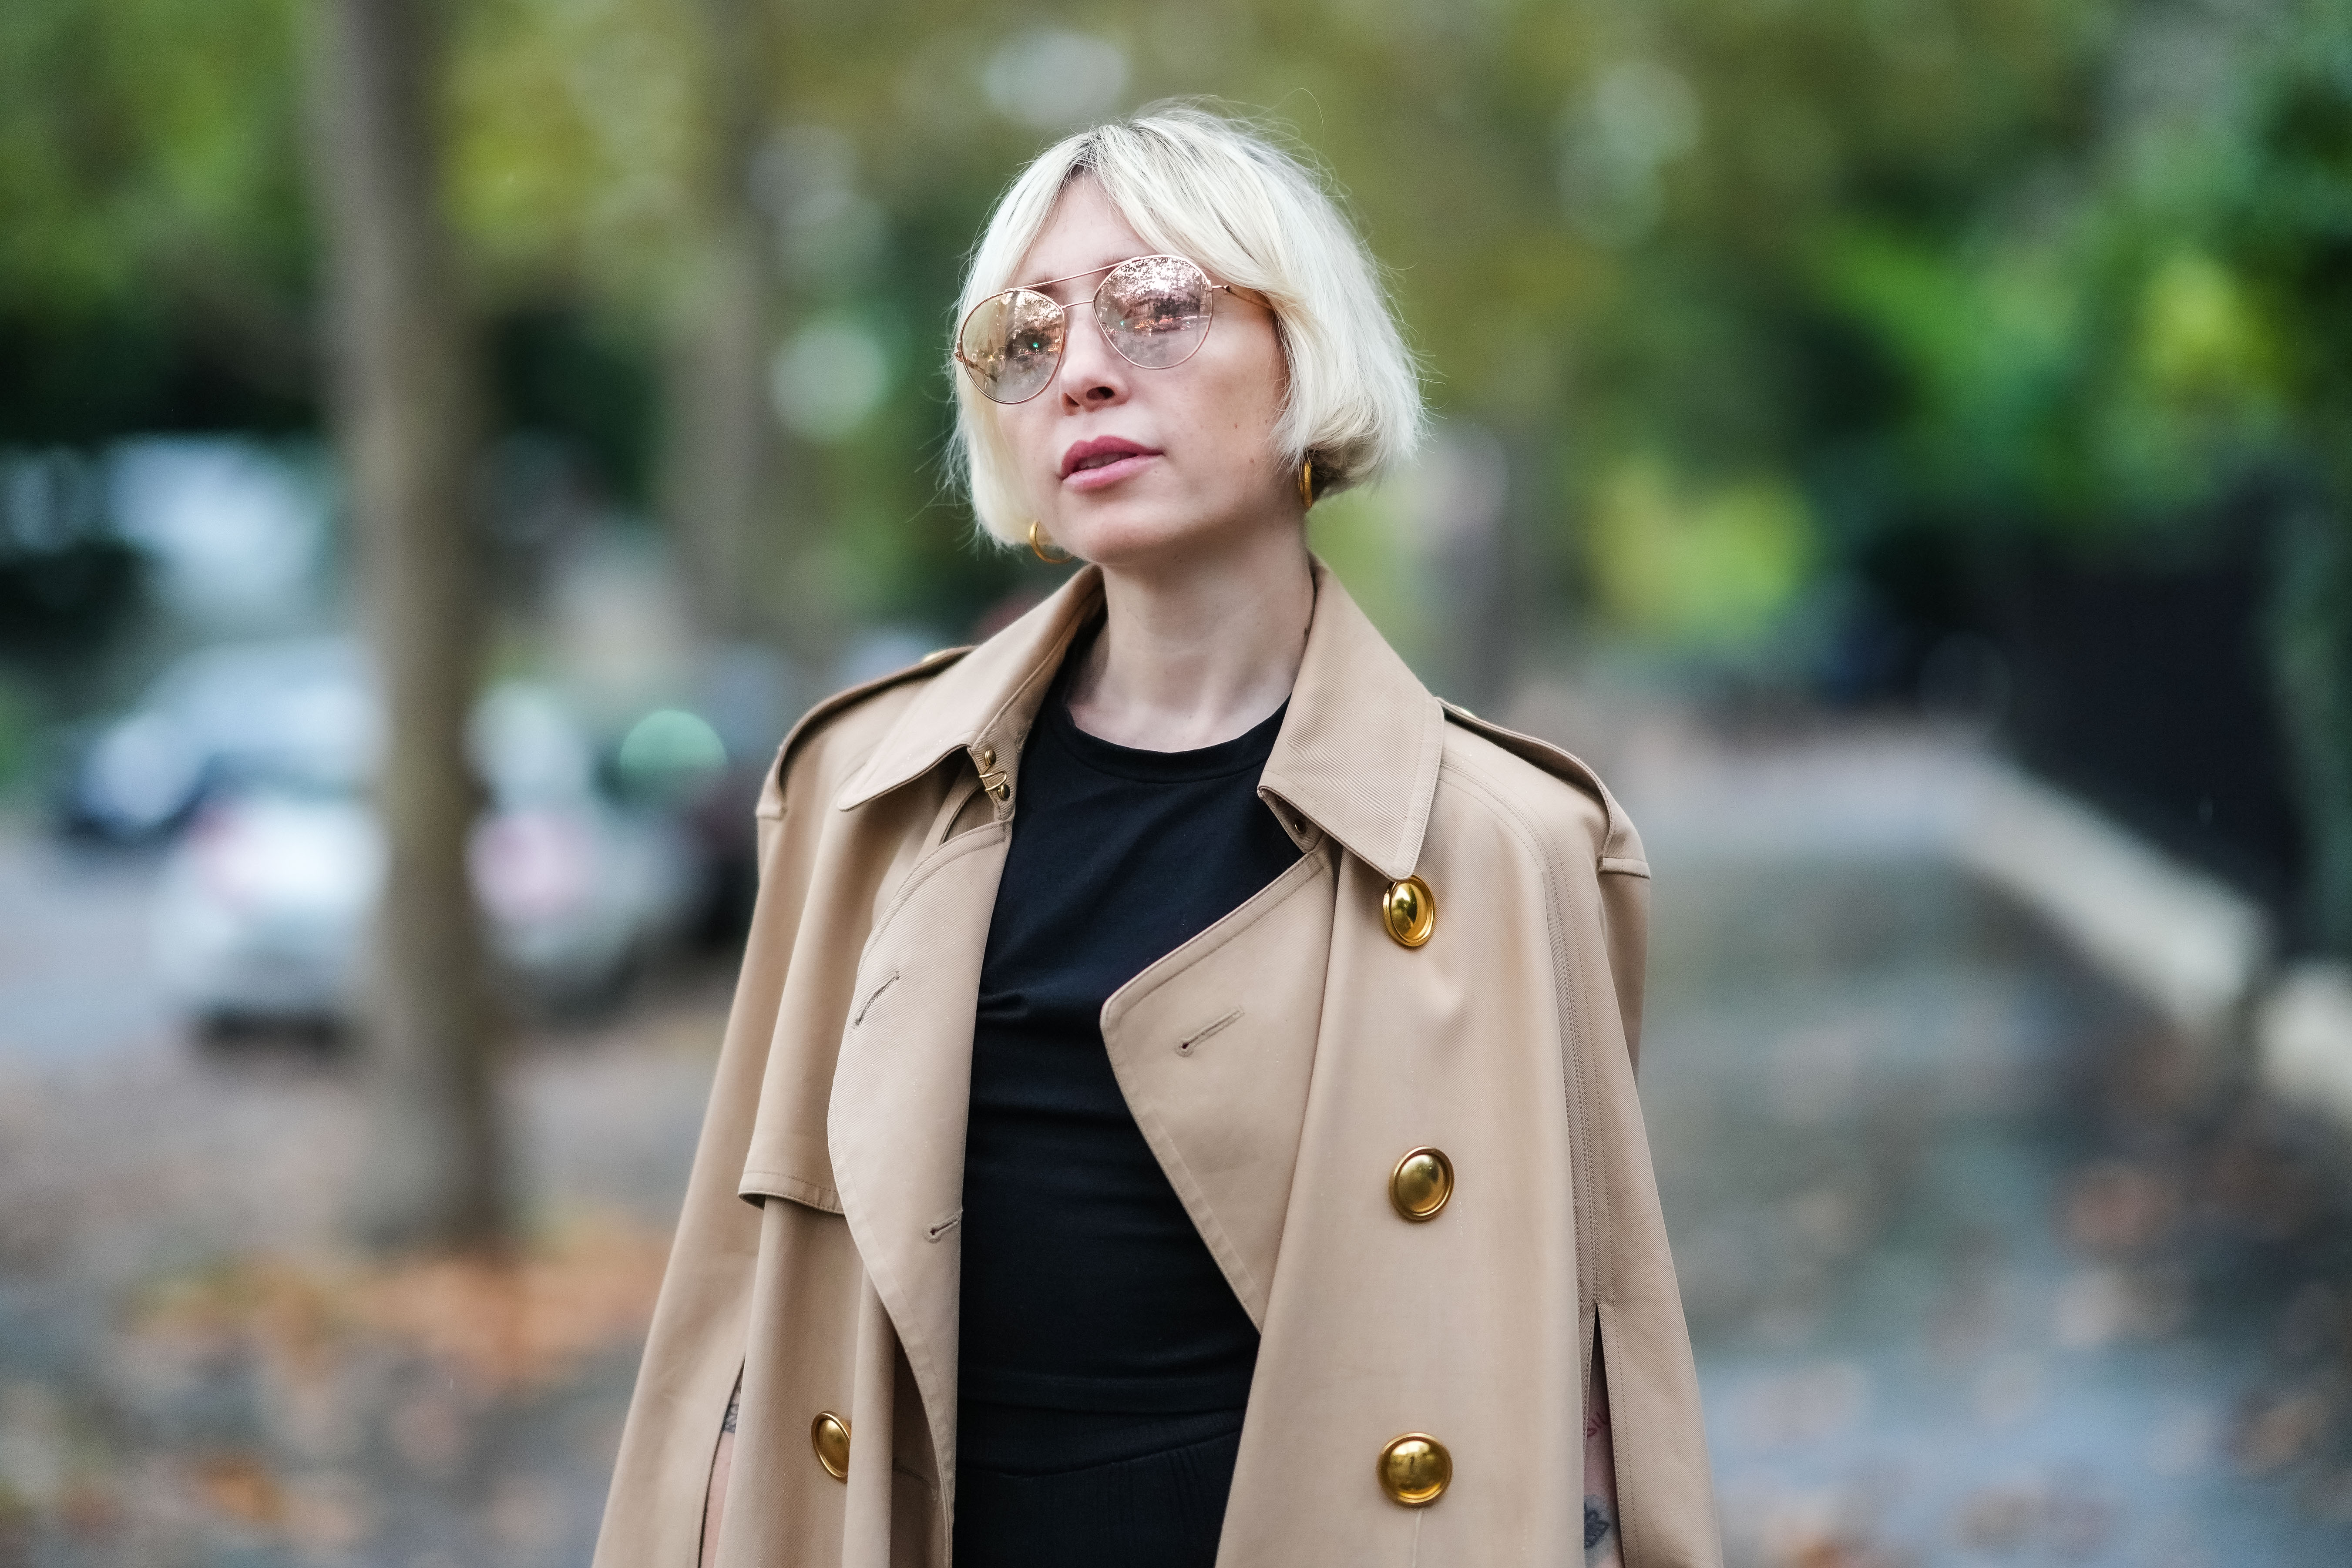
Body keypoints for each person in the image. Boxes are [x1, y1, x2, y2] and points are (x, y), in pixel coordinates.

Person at [593, 105, 1720, 1568]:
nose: (1083, 372)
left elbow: (1591, 1368)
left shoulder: (1516, 842)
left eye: (1158, 307)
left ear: (1301, 351)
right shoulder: (861, 790)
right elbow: (737, 1304)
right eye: (1025, 335)